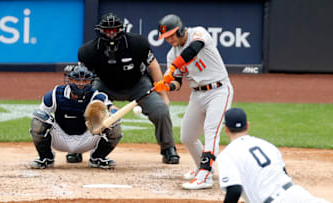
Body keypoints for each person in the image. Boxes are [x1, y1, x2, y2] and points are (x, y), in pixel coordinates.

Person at [78, 12, 180, 164]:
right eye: (108, 30)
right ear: (101, 31)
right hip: (104, 85)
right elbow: (83, 78)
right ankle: (78, 148)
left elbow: (154, 67)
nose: (111, 34)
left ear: (121, 29)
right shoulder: (88, 51)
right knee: (84, 107)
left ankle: (168, 148)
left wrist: (163, 95)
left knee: (160, 110)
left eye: (115, 30)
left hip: (138, 84)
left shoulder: (137, 43)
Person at [155, 14, 234, 190]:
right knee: (187, 136)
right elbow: (178, 82)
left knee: (211, 131)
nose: (168, 40)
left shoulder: (198, 33)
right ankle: (202, 166)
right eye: (165, 38)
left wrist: (174, 67)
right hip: (197, 94)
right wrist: (167, 86)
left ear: (181, 30)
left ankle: (205, 175)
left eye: (171, 35)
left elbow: (194, 49)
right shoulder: (171, 55)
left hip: (219, 90)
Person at [218, 108, 330, 203]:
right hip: (298, 194)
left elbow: (234, 190)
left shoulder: (227, 155)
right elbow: (284, 173)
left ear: (226, 129)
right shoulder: (267, 145)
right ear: (247, 125)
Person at [29, 64, 122, 169]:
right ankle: (46, 158)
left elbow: (111, 107)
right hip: (60, 138)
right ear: (69, 80)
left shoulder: (95, 95)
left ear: (90, 81)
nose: (81, 84)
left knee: (114, 125)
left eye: (85, 80)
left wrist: (113, 113)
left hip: (87, 138)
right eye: (77, 80)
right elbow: (41, 113)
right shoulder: (55, 94)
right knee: (38, 121)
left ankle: (97, 158)